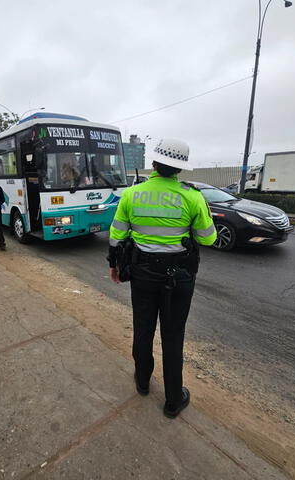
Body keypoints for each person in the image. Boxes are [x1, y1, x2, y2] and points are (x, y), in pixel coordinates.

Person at [107, 138, 217, 419]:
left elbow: (117, 235)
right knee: (173, 335)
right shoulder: (192, 197)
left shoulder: (132, 194)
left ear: (154, 163)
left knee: (143, 329)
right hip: (178, 278)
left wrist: (114, 265)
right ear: (180, 169)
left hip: (142, 274)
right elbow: (208, 238)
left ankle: (142, 382)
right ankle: (172, 400)